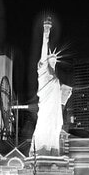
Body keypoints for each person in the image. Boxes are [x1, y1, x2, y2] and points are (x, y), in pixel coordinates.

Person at [30, 17, 72, 156]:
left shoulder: (55, 78)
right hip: (46, 107)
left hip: (54, 110)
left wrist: (64, 95)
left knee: (54, 127)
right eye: (51, 60)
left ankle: (52, 150)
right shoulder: (43, 71)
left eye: (55, 60)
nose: (53, 62)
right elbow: (43, 52)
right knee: (43, 127)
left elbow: (59, 99)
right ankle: (41, 150)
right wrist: (46, 34)